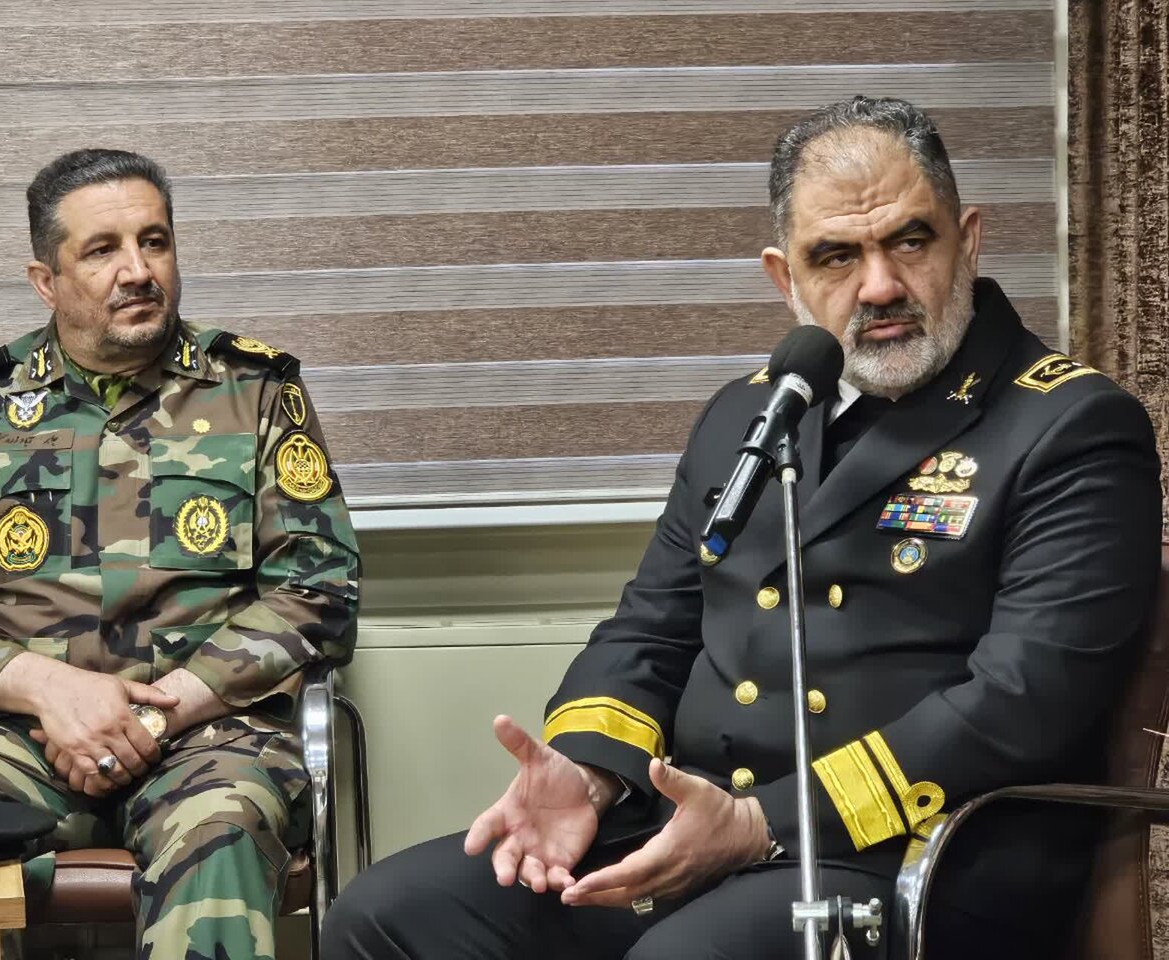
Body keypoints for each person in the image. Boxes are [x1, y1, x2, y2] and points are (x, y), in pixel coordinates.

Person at [321, 96, 1162, 959]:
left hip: (923, 860)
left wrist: (763, 822)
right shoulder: (748, 415)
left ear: (969, 240)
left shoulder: (1068, 425)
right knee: (386, 916)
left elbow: (1020, 704)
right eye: (836, 256)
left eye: (910, 241)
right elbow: (651, 626)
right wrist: (590, 772)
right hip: (699, 827)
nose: (879, 286)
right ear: (784, 277)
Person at [0, 148, 360, 959]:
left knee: (222, 828)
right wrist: (52, 692)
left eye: (155, 242)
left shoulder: (254, 390)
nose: (137, 271)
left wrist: (152, 711)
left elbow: (318, 588)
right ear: (46, 281)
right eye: (102, 250)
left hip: (209, 737)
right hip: (16, 736)